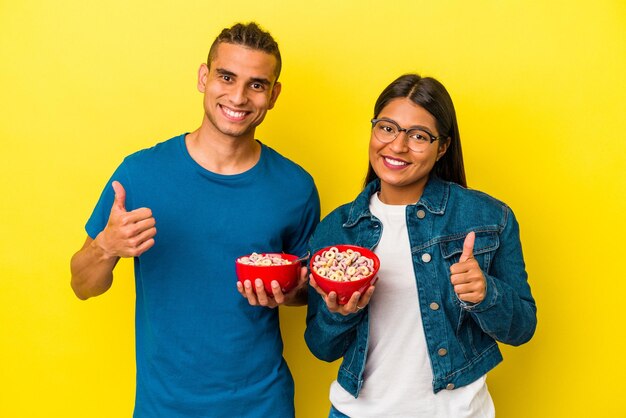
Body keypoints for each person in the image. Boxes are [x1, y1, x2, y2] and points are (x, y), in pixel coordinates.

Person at [70, 22, 320, 418]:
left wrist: (288, 292)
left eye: (256, 85)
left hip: (263, 404)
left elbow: (309, 291)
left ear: (273, 95)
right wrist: (106, 246)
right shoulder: (139, 174)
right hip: (164, 406)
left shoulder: (296, 187)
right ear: (204, 78)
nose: (238, 97)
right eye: (226, 77)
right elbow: (82, 285)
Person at [304, 74, 537, 417]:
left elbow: (523, 328)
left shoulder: (488, 217)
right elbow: (320, 347)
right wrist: (341, 315)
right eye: (386, 128)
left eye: (418, 136)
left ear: (442, 147)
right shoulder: (337, 230)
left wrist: (486, 294)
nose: (397, 146)